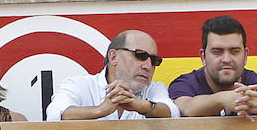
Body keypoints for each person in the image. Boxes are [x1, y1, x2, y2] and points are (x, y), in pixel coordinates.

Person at [168, 14, 257, 117]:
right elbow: (184, 108)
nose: (227, 59)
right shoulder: (186, 83)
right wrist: (222, 99)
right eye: (217, 52)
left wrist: (252, 99)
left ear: (245, 56)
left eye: (234, 51)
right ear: (203, 57)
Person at [44, 30, 175, 121]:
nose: (147, 66)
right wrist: (101, 110)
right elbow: (55, 114)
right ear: (113, 57)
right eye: (140, 55)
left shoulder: (154, 88)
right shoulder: (79, 85)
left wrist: (139, 105)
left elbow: (173, 113)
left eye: (154, 61)